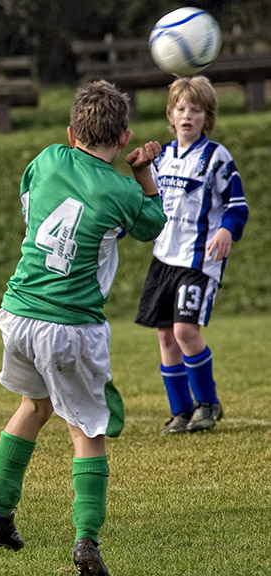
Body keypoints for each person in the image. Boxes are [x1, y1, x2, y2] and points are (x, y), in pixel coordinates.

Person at [0, 81, 167, 576]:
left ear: (70, 132)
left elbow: (29, 197)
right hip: (69, 324)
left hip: (18, 312)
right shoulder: (121, 189)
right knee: (88, 430)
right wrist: (144, 174)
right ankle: (87, 542)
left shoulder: (47, 158)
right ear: (123, 139)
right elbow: (152, 224)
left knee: (34, 406)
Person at [135, 75, 248, 435]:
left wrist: (227, 228)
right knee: (166, 335)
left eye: (195, 110)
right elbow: (144, 199)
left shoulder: (216, 157)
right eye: (180, 109)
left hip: (199, 260)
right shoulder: (162, 157)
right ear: (170, 115)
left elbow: (237, 203)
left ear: (207, 116)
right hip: (164, 257)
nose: (187, 116)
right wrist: (138, 169)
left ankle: (207, 403)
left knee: (185, 330)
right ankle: (181, 412)